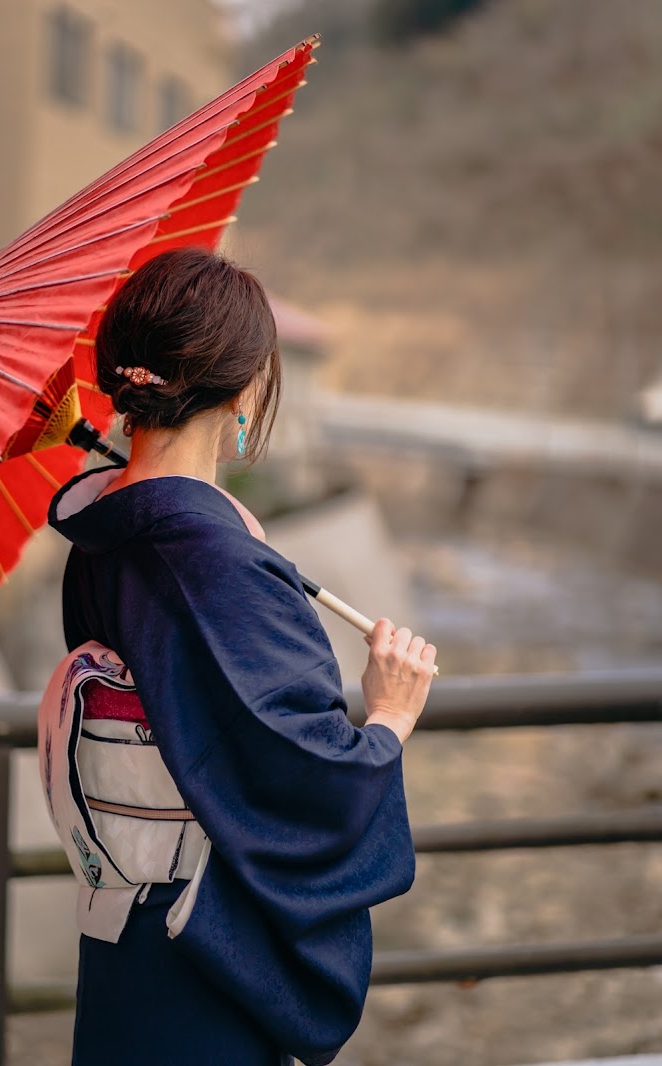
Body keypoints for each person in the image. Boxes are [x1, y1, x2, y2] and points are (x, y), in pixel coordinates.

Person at [43, 246, 437, 1066]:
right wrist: (391, 717)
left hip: (123, 932)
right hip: (203, 947)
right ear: (245, 388)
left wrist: (229, 539)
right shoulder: (209, 560)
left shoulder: (108, 536)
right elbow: (302, 767)